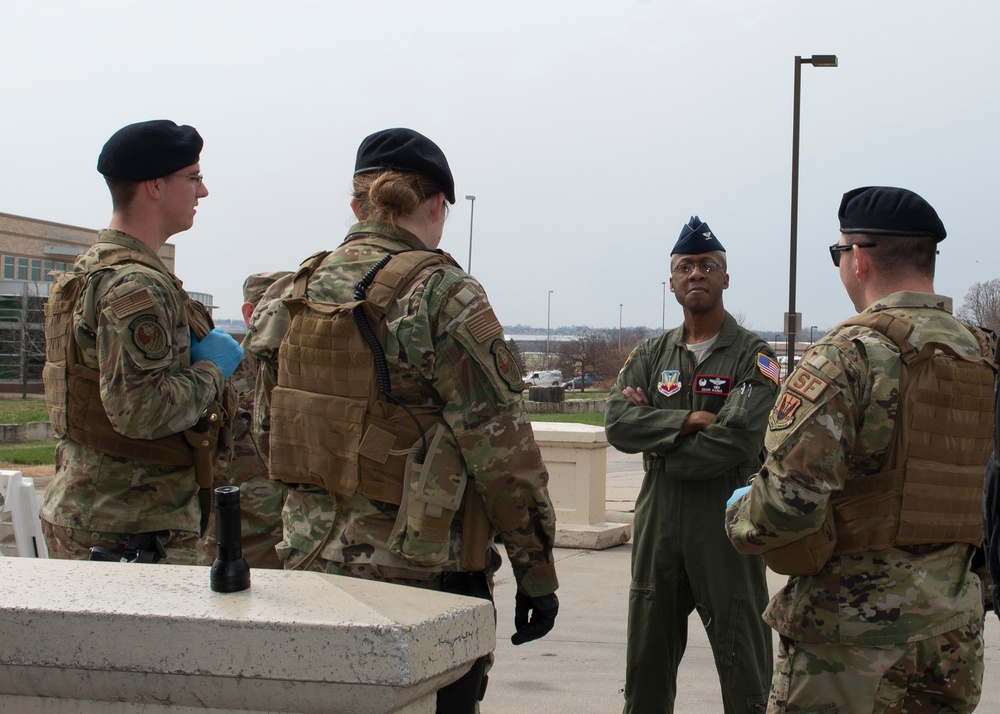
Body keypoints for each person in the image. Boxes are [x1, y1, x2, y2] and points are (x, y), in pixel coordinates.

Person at [245, 127, 559, 713]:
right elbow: (504, 455)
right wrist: (537, 572)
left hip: (309, 559)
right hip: (421, 576)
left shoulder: (290, 292)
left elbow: (266, 431)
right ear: (438, 205)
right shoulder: (444, 294)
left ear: (356, 205)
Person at [726, 186, 995, 713]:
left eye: (838, 254)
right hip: (953, 636)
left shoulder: (848, 356)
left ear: (860, 259)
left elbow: (788, 504)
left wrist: (739, 516)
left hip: (849, 642)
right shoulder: (984, 355)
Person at [40, 119, 243, 565]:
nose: (202, 192)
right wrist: (213, 369)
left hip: (105, 512)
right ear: (154, 185)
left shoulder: (93, 269)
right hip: (128, 524)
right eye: (193, 178)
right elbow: (140, 409)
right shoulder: (136, 286)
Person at [605, 216, 778, 714]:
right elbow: (618, 422)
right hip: (658, 521)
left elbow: (738, 440)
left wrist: (658, 440)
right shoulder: (650, 353)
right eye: (686, 267)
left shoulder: (754, 356)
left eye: (708, 266)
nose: (696, 274)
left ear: (726, 278)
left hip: (725, 520)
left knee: (742, 656)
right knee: (646, 664)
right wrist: (686, 422)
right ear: (673, 282)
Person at [200, 272, 292, 569]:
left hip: (296, 553)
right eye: (277, 311)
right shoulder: (219, 371)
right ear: (250, 313)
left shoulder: (306, 375)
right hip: (233, 553)